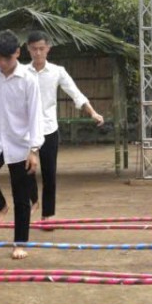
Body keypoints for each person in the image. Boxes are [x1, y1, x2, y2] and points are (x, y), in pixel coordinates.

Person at [0, 31, 44, 260]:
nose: (2, 64)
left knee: (21, 197)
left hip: (20, 144)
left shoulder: (28, 79)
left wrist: (33, 150)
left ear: (17, 53)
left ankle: (20, 242)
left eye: (7, 58)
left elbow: (35, 115)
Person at [23, 31, 105, 223]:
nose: (37, 53)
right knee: (26, 170)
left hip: (49, 129)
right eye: (34, 49)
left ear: (48, 49)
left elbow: (76, 94)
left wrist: (92, 112)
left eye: (41, 49)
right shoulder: (22, 72)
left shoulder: (57, 71)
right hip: (26, 130)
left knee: (49, 173)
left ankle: (48, 214)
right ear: (28, 49)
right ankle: (33, 199)